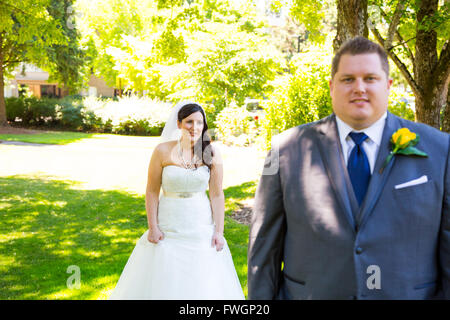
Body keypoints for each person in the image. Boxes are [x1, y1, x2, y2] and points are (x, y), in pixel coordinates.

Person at [248, 36, 450, 300]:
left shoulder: (440, 149)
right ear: (332, 86)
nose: (359, 88)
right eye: (348, 79)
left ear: (388, 85)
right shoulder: (285, 150)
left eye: (370, 78)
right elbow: (264, 248)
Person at [109, 101, 245, 300]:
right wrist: (153, 226)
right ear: (179, 123)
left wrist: (219, 231)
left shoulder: (212, 153)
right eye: (190, 122)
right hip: (168, 221)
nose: (195, 127)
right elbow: (152, 191)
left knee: (202, 277)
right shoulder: (162, 151)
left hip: (200, 222)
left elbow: (216, 194)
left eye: (200, 123)